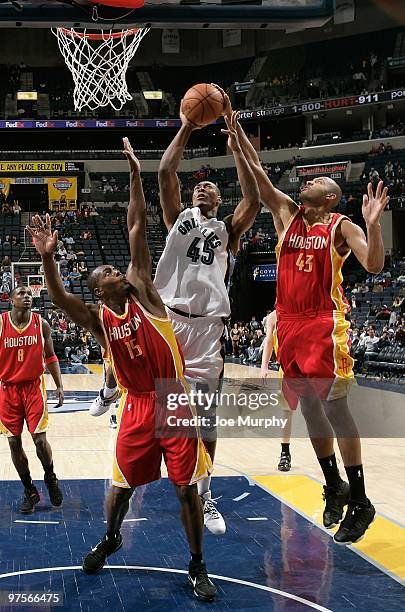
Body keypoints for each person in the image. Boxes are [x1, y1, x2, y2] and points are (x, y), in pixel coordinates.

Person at [28, 138, 216, 602]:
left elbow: (136, 225)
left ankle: (197, 565)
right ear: (99, 288)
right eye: (108, 271)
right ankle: (111, 536)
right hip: (135, 405)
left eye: (116, 267)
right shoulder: (98, 318)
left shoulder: (146, 293)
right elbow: (58, 299)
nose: (117, 270)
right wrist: (49, 258)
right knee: (120, 486)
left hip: (172, 398)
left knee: (186, 489)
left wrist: (134, 174)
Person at [93, 107, 260, 535]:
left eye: (209, 186)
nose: (202, 188)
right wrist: (186, 124)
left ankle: (204, 493)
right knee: (128, 349)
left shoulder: (228, 230)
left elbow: (254, 200)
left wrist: (238, 144)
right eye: (198, 186)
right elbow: (167, 170)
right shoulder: (178, 219)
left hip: (206, 330)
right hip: (168, 320)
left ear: (218, 200)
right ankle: (110, 385)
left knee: (203, 417)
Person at [237, 117, 389, 544]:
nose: (308, 181)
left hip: (323, 322)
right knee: (307, 409)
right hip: (288, 323)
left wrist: (374, 225)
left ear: (330, 196)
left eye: (318, 179)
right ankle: (334, 484)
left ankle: (360, 499)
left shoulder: (341, 226)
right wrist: (237, 142)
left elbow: (375, 264)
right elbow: (261, 181)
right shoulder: (287, 214)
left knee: (337, 410)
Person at [0, 286, 64, 513]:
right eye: (21, 294)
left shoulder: (41, 324)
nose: (27, 296)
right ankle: (30, 490)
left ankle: (50, 477)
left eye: (29, 294)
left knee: (39, 440)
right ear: (11, 300)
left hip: (33, 388)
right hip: (8, 390)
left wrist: (59, 385)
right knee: (13, 443)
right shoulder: (1, 324)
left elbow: (51, 356)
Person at [260, 310, 293, 471]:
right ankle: (285, 453)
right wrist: (264, 365)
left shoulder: (302, 307)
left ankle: (328, 455)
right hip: (286, 369)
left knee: (317, 412)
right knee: (286, 412)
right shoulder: (274, 316)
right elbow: (269, 341)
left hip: (307, 365)